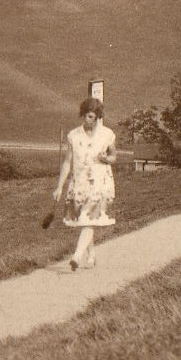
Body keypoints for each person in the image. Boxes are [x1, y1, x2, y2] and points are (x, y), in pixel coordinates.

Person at [54, 97, 117, 270]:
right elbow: (67, 162)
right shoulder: (74, 136)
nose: (87, 120)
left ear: (98, 117)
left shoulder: (107, 134)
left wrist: (106, 159)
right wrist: (60, 186)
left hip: (100, 183)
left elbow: (113, 156)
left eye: (90, 117)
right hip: (80, 184)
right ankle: (92, 254)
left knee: (89, 219)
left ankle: (76, 256)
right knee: (85, 220)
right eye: (85, 116)